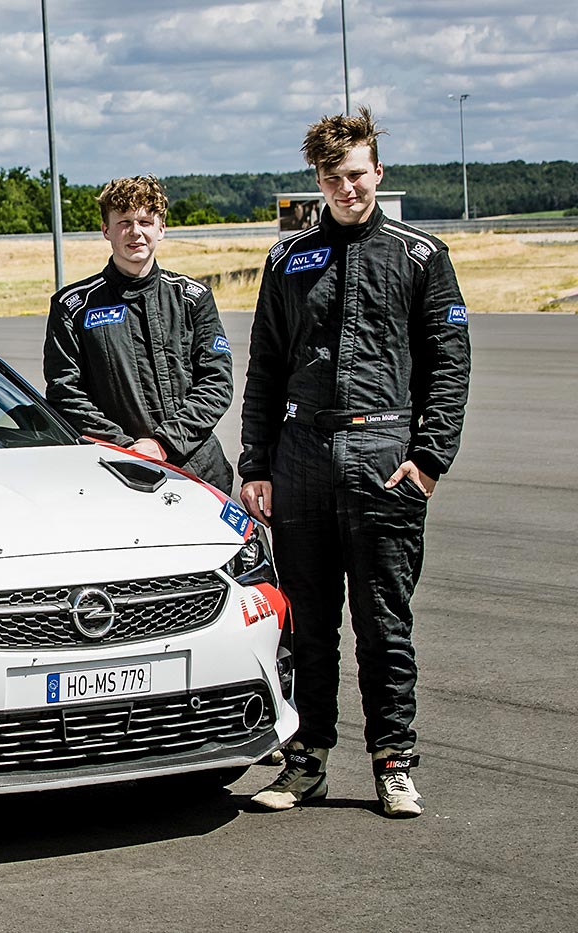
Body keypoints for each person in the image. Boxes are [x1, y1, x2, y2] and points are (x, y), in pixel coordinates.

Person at [239, 108, 471, 818]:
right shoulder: (289, 259)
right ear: (318, 180)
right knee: (308, 625)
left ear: (379, 172)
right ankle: (305, 762)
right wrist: (256, 463)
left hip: (384, 456)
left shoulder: (421, 255)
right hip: (303, 454)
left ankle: (394, 762)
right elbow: (265, 367)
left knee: (383, 624)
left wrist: (429, 459)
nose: (349, 188)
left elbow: (449, 364)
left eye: (359, 175)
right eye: (335, 178)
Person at [43, 175, 233, 493]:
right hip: (116, 473)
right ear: (106, 229)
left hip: (198, 470)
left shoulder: (192, 297)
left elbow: (217, 383)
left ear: (161, 228)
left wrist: (163, 443)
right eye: (124, 222)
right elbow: (65, 392)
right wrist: (127, 449)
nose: (136, 232)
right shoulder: (73, 306)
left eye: (145, 221)